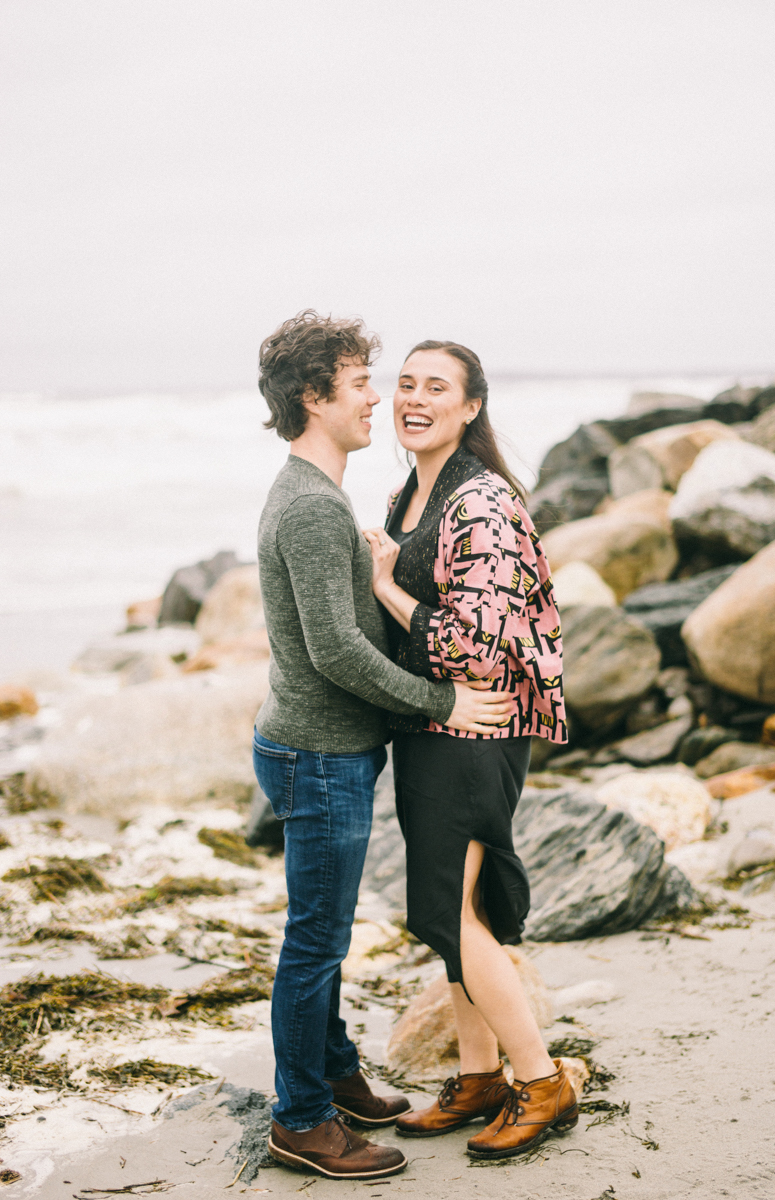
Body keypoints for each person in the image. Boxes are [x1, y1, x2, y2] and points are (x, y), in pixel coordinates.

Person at [253, 312, 514, 1181]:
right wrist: (442, 698)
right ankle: (300, 1119)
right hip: (319, 755)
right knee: (317, 941)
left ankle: (333, 1074)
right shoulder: (313, 508)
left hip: (320, 750)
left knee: (319, 931)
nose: (379, 397)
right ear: (313, 397)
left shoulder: (317, 497)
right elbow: (336, 652)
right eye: (362, 382)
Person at [362, 340, 576, 1162]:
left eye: (437, 387)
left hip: (476, 725)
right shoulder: (409, 493)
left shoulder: (478, 501)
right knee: (464, 913)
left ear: (471, 406)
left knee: (452, 912)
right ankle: (479, 1075)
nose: (415, 398)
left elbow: (484, 641)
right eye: (406, 384)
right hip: (434, 725)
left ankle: (541, 1079)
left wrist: (386, 587)